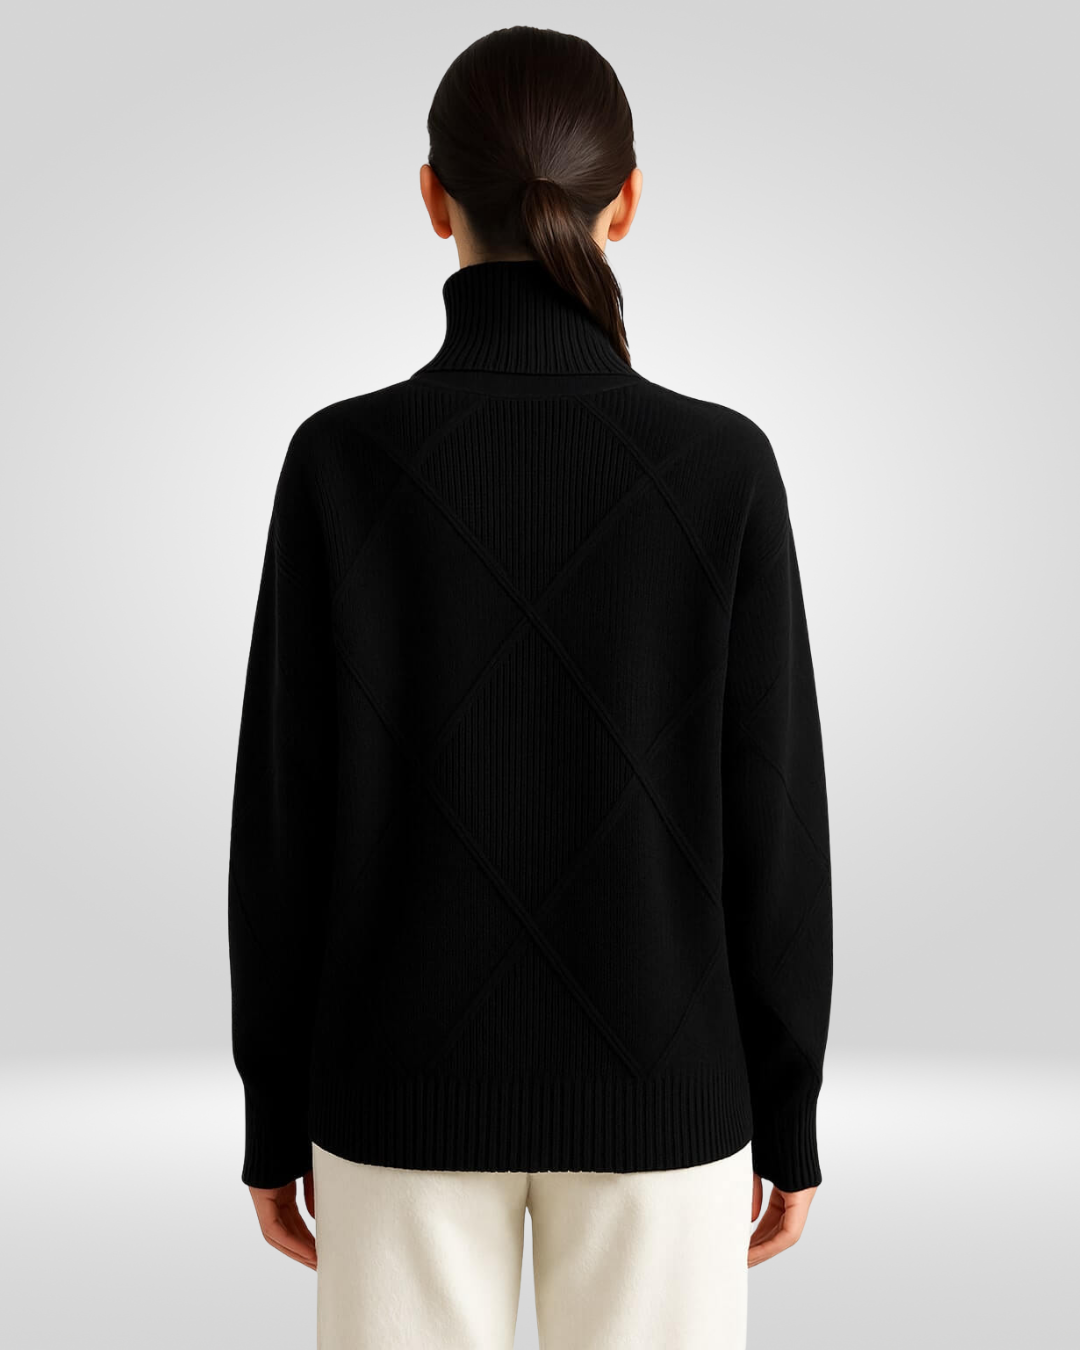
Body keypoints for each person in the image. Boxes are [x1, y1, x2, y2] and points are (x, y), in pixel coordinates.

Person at [227, 23, 833, 1350]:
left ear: (431, 197)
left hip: (393, 1092)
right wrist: (789, 1113)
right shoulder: (723, 468)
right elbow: (775, 820)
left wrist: (273, 1112)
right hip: (665, 1099)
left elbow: (283, 824)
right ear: (628, 201)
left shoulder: (339, 462)